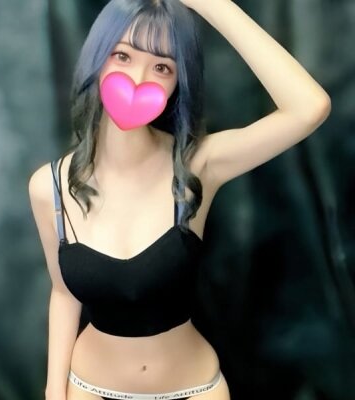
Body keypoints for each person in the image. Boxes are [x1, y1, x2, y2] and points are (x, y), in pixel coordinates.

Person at [28, 0, 331, 399]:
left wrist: (215, 6)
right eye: (123, 56)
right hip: (87, 389)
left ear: (177, 82)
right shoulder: (48, 186)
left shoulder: (199, 165)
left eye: (162, 67)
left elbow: (308, 108)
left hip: (193, 389)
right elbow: (64, 293)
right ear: (97, 57)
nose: (139, 78)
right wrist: (54, 390)